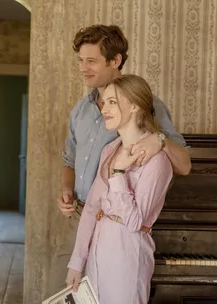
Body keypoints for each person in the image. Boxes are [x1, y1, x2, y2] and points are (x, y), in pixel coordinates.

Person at [51, 24, 191, 294]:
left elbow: (183, 164)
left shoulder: (146, 103)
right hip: (81, 218)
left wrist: (159, 140)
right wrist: (66, 190)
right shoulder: (80, 110)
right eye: (80, 61)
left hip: (123, 230)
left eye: (91, 61)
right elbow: (69, 160)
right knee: (69, 294)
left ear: (115, 61)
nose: (82, 68)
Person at [66, 74, 173, 303]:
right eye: (104, 102)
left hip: (127, 256)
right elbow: (91, 208)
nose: (104, 108)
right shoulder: (109, 150)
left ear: (134, 105)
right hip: (97, 254)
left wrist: (118, 175)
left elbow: (135, 222)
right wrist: (77, 263)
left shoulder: (158, 162)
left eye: (112, 102)